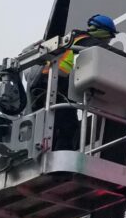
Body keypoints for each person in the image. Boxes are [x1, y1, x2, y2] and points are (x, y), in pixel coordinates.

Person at [27, 14, 120, 147]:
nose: (109, 41)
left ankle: (48, 153)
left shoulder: (75, 39)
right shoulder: (82, 39)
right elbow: (107, 50)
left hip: (48, 87)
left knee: (51, 127)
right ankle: (59, 160)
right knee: (68, 128)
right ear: (104, 33)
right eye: (110, 37)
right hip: (53, 86)